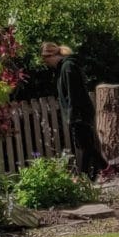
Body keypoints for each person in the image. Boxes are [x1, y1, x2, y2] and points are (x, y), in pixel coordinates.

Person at [43, 42, 99, 176]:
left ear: (51, 55)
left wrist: (72, 116)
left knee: (86, 146)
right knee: (86, 145)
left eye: (45, 59)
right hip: (77, 113)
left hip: (80, 113)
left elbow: (73, 94)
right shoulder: (62, 69)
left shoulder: (68, 67)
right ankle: (102, 169)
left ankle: (85, 176)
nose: (46, 63)